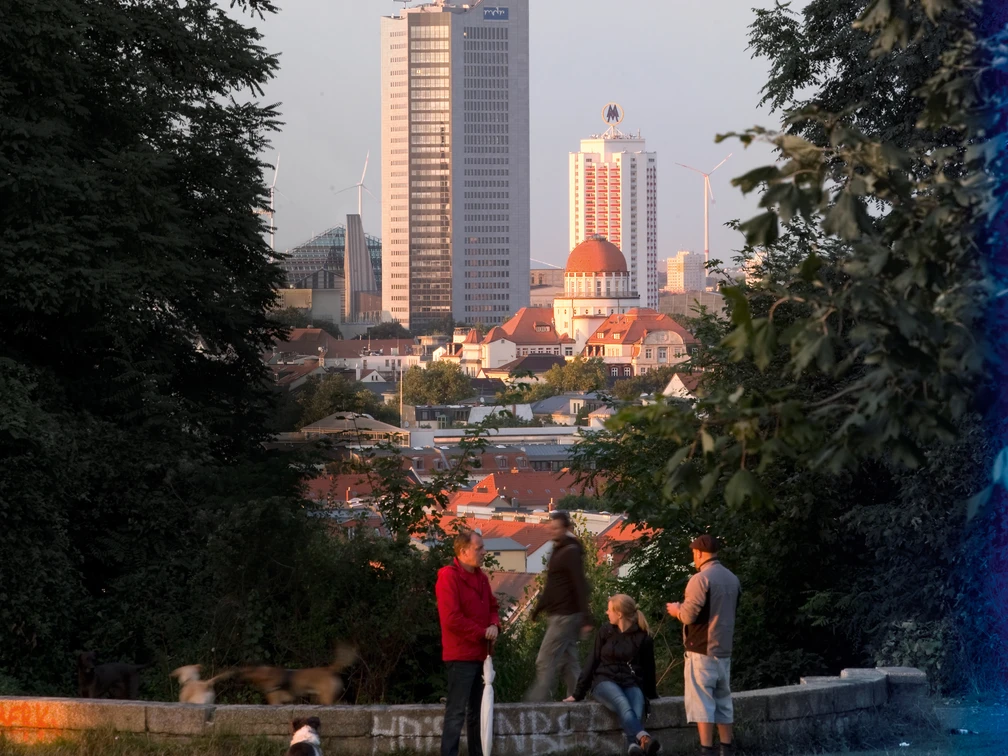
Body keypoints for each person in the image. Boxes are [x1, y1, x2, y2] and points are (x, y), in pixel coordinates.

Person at [666, 534, 742, 756]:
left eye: (693, 553)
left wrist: (676, 610)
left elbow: (689, 616)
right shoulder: (733, 579)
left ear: (699, 553)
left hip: (701, 650)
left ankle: (706, 750)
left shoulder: (700, 579)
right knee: (723, 702)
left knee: (702, 703)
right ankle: (726, 749)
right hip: (724, 649)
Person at [564, 594, 661, 756]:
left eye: (609, 610)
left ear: (619, 614)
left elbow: (649, 669)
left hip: (630, 682)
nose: (607, 613)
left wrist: (651, 694)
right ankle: (644, 737)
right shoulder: (605, 631)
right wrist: (578, 693)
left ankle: (634, 747)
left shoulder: (643, 638)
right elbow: (592, 661)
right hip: (604, 681)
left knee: (637, 709)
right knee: (623, 703)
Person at [435, 529, 500, 756]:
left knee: (478, 712)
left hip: (482, 655)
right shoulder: (449, 577)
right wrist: (482, 632)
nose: (484, 552)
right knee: (456, 712)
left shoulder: (481, 578)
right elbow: (451, 619)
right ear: (463, 551)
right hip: (460, 656)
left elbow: (493, 606)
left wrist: (494, 625)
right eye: (479, 548)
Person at [525, 510, 592, 701]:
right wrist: (538, 609)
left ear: (566, 529)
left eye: (556, 528)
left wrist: (586, 618)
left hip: (565, 615)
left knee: (544, 660)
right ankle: (578, 698)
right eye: (551, 527)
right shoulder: (559, 549)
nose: (552, 531)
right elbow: (552, 584)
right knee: (568, 662)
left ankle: (537, 705)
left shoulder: (571, 552)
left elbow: (579, 585)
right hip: (561, 614)